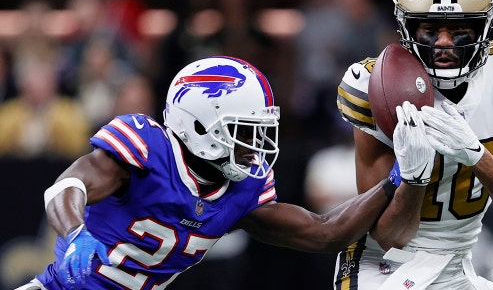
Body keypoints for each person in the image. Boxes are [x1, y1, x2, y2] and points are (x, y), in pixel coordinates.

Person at [17, 55, 435, 289]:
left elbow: (324, 232)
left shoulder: (241, 190)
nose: (255, 147)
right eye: (243, 132)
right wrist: (75, 234)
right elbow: (66, 187)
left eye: (259, 133)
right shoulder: (149, 147)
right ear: (199, 123)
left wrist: (397, 178)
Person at [335, 0, 493, 289]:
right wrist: (415, 176)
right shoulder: (374, 86)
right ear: (407, 29)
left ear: (482, 28)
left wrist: (476, 155)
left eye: (460, 29)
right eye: (430, 29)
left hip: (459, 263)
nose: (444, 43)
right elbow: (389, 236)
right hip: (382, 266)